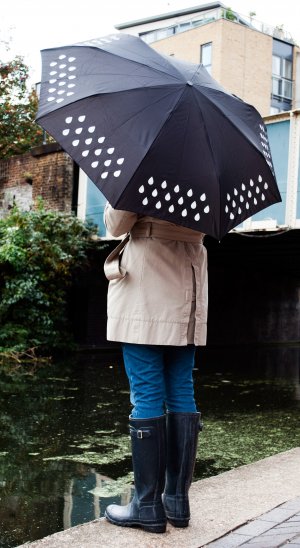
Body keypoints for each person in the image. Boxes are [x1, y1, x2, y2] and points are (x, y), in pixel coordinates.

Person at [103, 203, 208, 534]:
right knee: (180, 388)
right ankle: (177, 501)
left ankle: (146, 506)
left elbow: (117, 225)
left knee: (146, 391)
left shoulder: (146, 165)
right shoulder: (207, 171)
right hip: (190, 276)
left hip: (147, 277)